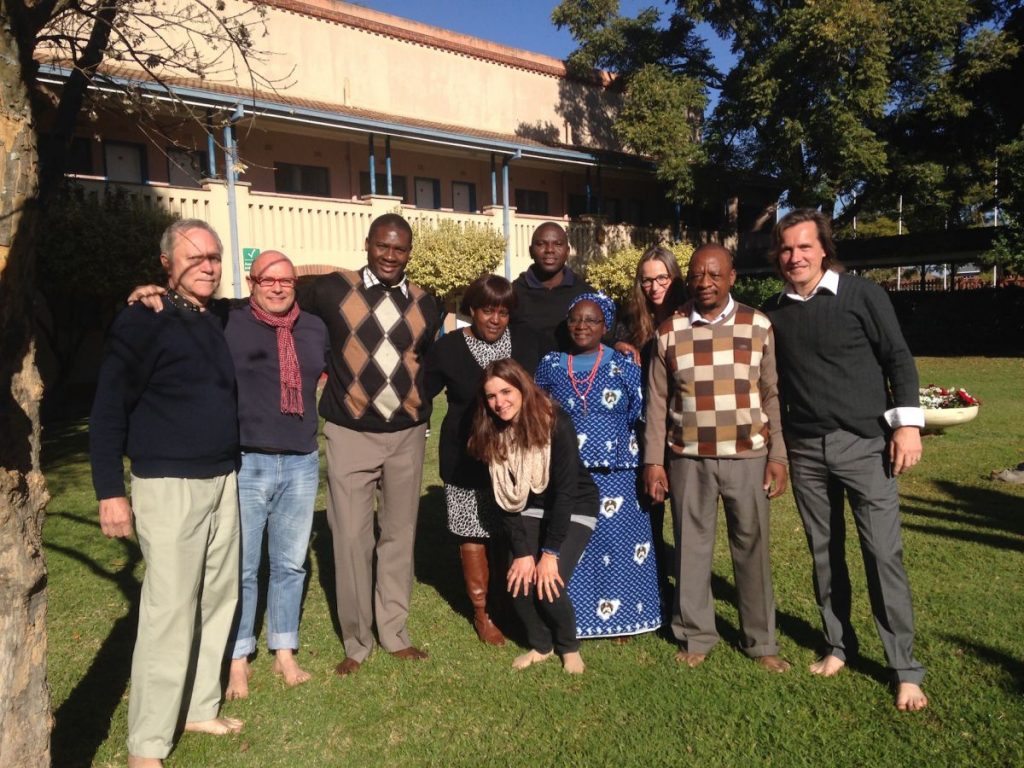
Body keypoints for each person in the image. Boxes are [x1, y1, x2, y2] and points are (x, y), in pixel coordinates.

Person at [90, 220, 242, 767]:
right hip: (168, 484)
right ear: (165, 264)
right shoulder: (141, 319)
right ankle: (147, 746)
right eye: (194, 256)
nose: (207, 265)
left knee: (217, 599)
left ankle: (200, 706)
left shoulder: (215, 315)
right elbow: (107, 408)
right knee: (169, 609)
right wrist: (110, 489)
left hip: (224, 478)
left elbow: (281, 290)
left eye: (215, 257)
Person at [764, 209, 928, 711]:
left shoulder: (861, 294)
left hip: (865, 445)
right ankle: (838, 645)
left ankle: (904, 669)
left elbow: (897, 358)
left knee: (882, 555)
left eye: (804, 247)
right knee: (823, 552)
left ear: (824, 248)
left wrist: (906, 425)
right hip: (807, 449)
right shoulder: (775, 311)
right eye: (787, 249)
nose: (795, 257)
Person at [297, 213, 439, 676]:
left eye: (399, 248)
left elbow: (428, 361)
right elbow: (273, 292)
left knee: (399, 536)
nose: (390, 256)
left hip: (405, 437)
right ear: (367, 245)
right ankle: (357, 641)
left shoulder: (426, 302)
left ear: (410, 252)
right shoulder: (333, 290)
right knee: (351, 537)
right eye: (383, 246)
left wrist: (421, 411)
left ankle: (394, 631)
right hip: (351, 433)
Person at [643, 244, 790, 672]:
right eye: (696, 275)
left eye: (714, 275)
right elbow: (657, 401)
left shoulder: (757, 324)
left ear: (731, 277)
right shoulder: (668, 330)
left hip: (748, 456)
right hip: (688, 459)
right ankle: (696, 634)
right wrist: (654, 462)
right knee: (691, 548)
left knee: (753, 548)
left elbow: (771, 394)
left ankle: (761, 641)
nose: (704, 283)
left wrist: (777, 455)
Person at [224, 251, 327, 698]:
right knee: (243, 565)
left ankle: (284, 649)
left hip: (301, 459)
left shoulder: (315, 328)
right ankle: (238, 657)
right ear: (252, 282)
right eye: (268, 279)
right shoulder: (227, 320)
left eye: (286, 280)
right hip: (247, 460)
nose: (278, 286)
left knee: (289, 563)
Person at [534, 292, 662, 640]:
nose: (582, 326)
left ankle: (623, 619)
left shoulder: (624, 364)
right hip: (569, 471)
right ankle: (573, 618)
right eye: (575, 319)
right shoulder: (552, 364)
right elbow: (537, 413)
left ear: (605, 326)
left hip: (618, 471)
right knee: (577, 543)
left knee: (618, 545)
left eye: (591, 320)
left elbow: (643, 412)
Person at [424, 275, 540, 646]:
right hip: (465, 457)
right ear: (471, 310)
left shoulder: (523, 343)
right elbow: (421, 395)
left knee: (508, 531)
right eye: (488, 310)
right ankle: (482, 613)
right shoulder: (448, 349)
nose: (495, 319)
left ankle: (506, 603)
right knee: (471, 533)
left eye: (503, 312)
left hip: (513, 457)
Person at [468, 359, 597, 673]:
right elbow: (506, 499)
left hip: (574, 504)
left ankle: (569, 647)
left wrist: (549, 553)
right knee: (518, 583)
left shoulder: (556, 421)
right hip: (528, 505)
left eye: (506, 391)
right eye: (491, 396)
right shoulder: (492, 432)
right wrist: (524, 553)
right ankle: (542, 645)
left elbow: (565, 492)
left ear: (522, 387)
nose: (500, 402)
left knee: (547, 584)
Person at [612, 244, 688, 606]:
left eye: (662, 277)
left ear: (675, 277)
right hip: (644, 430)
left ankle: (685, 599)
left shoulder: (691, 316)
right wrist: (618, 348)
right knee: (649, 514)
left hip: (686, 427)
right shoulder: (629, 319)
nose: (654, 286)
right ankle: (655, 590)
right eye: (647, 280)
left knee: (687, 522)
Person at [509, 221, 595, 355]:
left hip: (574, 374)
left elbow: (603, 337)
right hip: (524, 374)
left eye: (558, 244)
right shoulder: (513, 293)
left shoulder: (586, 295)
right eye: (541, 244)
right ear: (531, 251)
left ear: (567, 252)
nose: (549, 250)